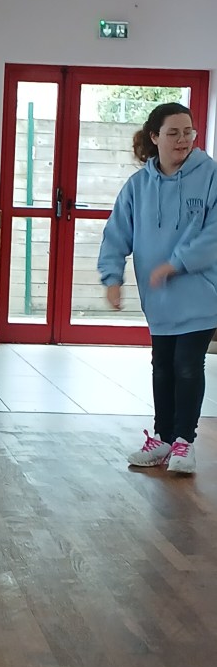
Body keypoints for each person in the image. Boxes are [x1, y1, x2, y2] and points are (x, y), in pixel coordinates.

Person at [98, 101, 217, 474]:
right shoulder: (138, 186)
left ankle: (184, 443)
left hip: (201, 293)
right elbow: (117, 233)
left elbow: (214, 233)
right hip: (160, 299)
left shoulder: (211, 175)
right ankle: (163, 439)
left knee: (187, 365)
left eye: (188, 132)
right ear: (154, 137)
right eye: (173, 133)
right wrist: (112, 277)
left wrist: (177, 262)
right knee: (162, 366)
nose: (183, 140)